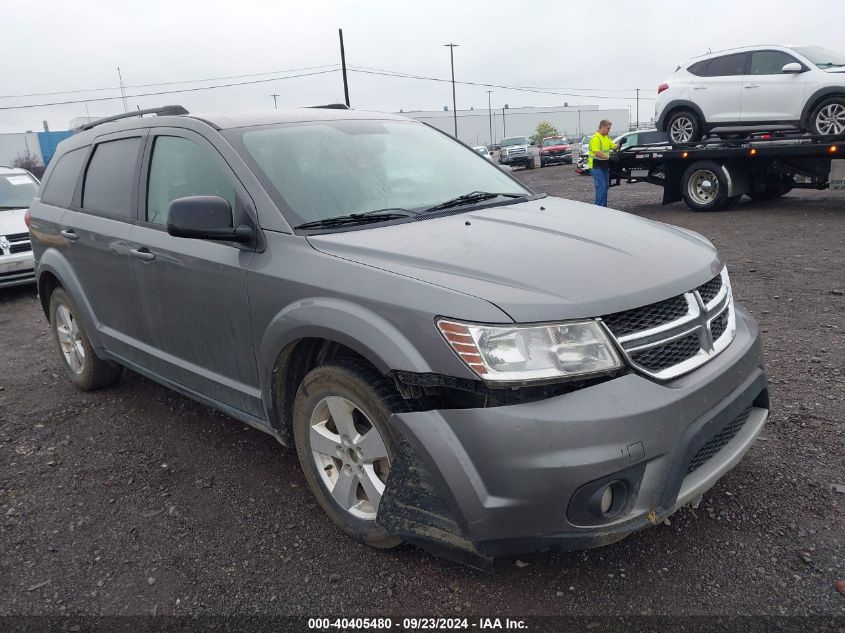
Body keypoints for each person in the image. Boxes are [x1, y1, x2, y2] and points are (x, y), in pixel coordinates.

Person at [588, 120, 618, 207]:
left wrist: (620, 144)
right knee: (601, 186)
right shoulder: (595, 138)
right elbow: (597, 153)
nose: (609, 130)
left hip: (604, 165)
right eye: (608, 128)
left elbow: (613, 146)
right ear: (603, 127)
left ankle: (603, 207)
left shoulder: (606, 138)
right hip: (595, 166)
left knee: (605, 186)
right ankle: (599, 207)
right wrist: (610, 157)